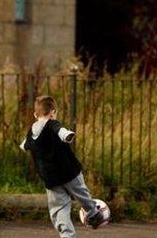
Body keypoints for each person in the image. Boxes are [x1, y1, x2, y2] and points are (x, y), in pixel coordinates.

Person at [19, 95, 104, 237]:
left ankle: (67, 235)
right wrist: (68, 135)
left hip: (51, 180)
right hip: (70, 172)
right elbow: (61, 130)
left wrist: (24, 146)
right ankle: (93, 213)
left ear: (35, 114)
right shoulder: (53, 124)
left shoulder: (31, 132)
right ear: (53, 112)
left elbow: (25, 144)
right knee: (82, 194)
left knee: (59, 210)